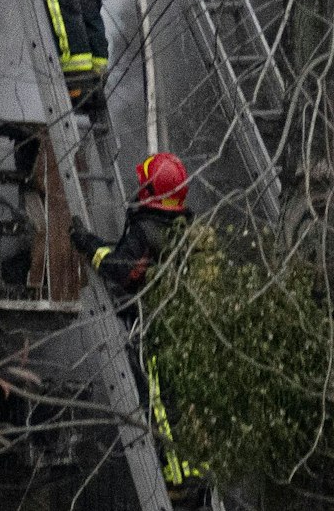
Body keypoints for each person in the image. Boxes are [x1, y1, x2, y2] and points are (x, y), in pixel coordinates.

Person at [70, 152, 208, 505]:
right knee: (186, 407)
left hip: (155, 331)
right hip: (184, 332)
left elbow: (121, 268)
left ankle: (177, 485)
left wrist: (87, 243)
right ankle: (196, 479)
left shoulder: (147, 231)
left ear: (151, 191)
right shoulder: (184, 229)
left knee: (160, 407)